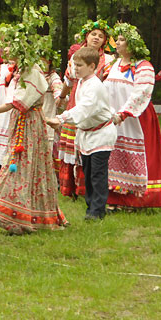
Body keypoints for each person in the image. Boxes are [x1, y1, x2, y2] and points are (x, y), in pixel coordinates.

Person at [0, 11, 67, 235]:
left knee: (17, 170)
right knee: (22, 170)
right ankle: (10, 217)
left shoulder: (31, 72)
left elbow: (16, 103)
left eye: (11, 46)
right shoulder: (18, 71)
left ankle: (6, 218)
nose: (5, 50)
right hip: (23, 124)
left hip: (29, 127)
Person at [104, 23, 161, 209]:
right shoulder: (113, 64)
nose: (117, 44)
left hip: (137, 118)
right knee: (114, 155)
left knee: (139, 155)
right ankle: (115, 198)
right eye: (117, 40)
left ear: (133, 44)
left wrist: (125, 113)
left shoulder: (143, 67)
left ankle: (138, 199)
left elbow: (142, 92)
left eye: (121, 40)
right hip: (114, 119)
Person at [47, 46, 119, 220]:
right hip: (87, 134)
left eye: (79, 65)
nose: (75, 69)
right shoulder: (81, 82)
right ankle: (91, 205)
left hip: (101, 134)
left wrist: (61, 118)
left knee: (97, 174)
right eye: (74, 65)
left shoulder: (94, 85)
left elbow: (84, 108)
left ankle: (97, 211)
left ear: (92, 67)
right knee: (87, 172)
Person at [54, 20, 113, 197]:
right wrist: (62, 97)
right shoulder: (76, 57)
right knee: (74, 146)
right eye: (93, 34)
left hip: (95, 101)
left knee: (91, 149)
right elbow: (68, 80)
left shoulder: (108, 60)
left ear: (104, 41)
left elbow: (108, 85)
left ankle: (85, 189)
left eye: (101, 36)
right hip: (77, 99)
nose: (96, 38)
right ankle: (69, 188)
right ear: (86, 36)